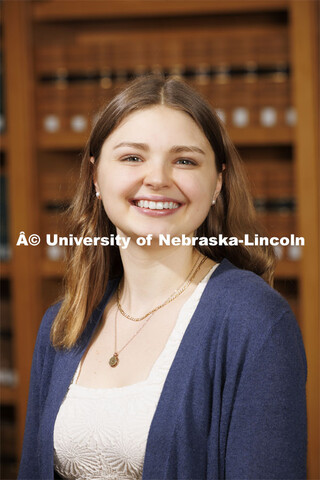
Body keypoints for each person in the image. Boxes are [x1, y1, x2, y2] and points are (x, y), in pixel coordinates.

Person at [18, 75, 307, 480]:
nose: (157, 178)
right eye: (132, 158)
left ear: (218, 181)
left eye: (185, 160)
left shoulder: (254, 320)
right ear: (96, 176)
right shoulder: (63, 325)